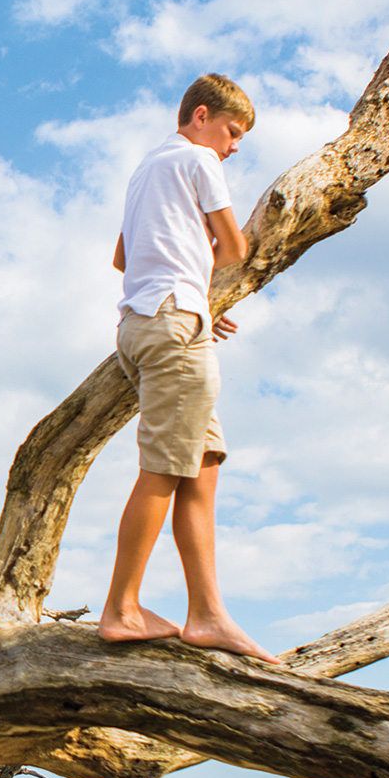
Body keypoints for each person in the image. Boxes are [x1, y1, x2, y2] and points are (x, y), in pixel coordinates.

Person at [97, 73, 276, 662]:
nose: (233, 145)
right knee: (165, 469)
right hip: (174, 327)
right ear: (201, 116)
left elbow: (124, 257)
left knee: (201, 465)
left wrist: (191, 293)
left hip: (144, 324)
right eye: (232, 131)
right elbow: (237, 247)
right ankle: (122, 609)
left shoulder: (147, 170)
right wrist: (202, 292)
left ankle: (207, 613)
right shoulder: (199, 158)